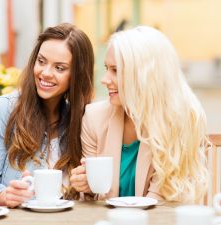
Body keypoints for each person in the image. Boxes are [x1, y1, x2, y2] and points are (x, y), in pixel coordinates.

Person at [70, 26, 209, 203]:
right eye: (106, 68)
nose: (104, 80)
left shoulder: (180, 120)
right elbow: (94, 197)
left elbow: (160, 200)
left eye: (116, 70)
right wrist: (87, 186)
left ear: (145, 75)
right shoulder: (94, 117)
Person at [0, 23, 94, 208]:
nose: (45, 73)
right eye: (41, 61)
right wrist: (3, 196)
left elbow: (93, 193)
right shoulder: (4, 110)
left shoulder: (82, 119)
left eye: (60, 68)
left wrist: (89, 186)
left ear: (77, 75)